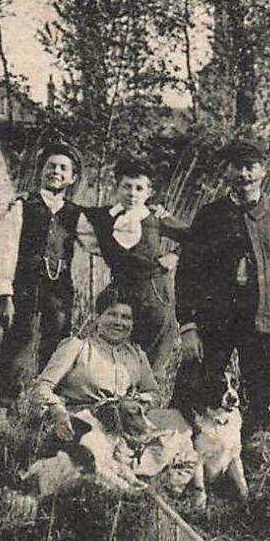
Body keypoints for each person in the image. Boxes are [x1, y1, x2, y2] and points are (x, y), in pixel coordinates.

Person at [175, 136, 270, 447]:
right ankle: (188, 465)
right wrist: (188, 326)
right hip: (216, 324)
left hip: (266, 325)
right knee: (195, 393)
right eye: (236, 167)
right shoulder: (209, 216)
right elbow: (186, 276)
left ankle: (255, 472)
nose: (244, 175)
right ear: (226, 172)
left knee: (264, 401)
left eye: (250, 167)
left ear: (264, 170)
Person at [21, 294, 196, 497]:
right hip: (83, 425)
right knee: (94, 465)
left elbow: (153, 393)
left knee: (179, 434)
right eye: (112, 315)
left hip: (123, 427)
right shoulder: (77, 347)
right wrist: (58, 412)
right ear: (97, 317)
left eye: (126, 317)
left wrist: (138, 404)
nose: (119, 322)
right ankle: (122, 488)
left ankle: (154, 488)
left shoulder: (136, 354)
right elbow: (41, 387)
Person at [0, 142, 85, 412]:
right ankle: (4, 404)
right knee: (17, 342)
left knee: (56, 344)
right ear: (41, 171)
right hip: (25, 286)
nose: (56, 171)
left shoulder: (75, 214)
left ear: (72, 177)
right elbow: (6, 249)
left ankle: (44, 404)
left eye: (63, 168)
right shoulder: (23, 205)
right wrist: (4, 292)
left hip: (60, 290)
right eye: (51, 166)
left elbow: (99, 244)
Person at [77, 157, 188, 381]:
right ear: (116, 187)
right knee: (117, 356)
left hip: (154, 291)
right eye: (126, 186)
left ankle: (150, 407)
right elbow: (69, 215)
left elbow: (196, 238)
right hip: (121, 291)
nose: (132, 193)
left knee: (152, 359)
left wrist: (174, 256)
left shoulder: (155, 218)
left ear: (149, 192)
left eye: (139, 188)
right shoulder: (104, 217)